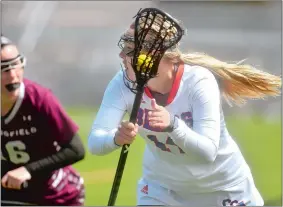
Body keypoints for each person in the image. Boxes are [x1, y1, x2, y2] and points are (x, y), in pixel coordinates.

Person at [87, 9, 281, 206]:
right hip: (162, 190)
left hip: (224, 187)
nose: (121, 55)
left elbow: (208, 152)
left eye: (130, 49)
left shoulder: (198, 81)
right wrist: (116, 138)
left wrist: (172, 124)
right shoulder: (122, 83)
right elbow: (95, 141)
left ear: (153, 55)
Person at [1, 35, 86, 206]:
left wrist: (28, 170)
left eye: (15, 65)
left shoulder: (40, 99)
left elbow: (76, 150)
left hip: (54, 195)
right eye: (3, 68)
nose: (12, 75)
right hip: (9, 193)